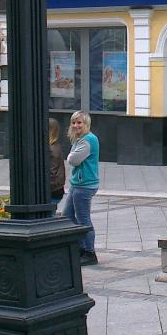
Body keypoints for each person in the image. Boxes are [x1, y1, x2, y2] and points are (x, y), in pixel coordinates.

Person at [61, 110, 100, 266]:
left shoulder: (87, 140)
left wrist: (71, 155)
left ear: (86, 124)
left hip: (84, 185)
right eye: (73, 122)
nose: (76, 125)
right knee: (67, 215)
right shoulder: (81, 139)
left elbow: (73, 160)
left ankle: (90, 253)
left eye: (79, 122)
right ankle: (81, 247)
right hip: (78, 184)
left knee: (83, 219)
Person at [48, 118, 65, 207]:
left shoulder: (51, 149)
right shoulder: (55, 146)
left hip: (53, 190)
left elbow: (51, 172)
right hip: (56, 189)